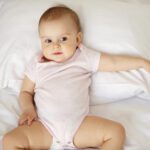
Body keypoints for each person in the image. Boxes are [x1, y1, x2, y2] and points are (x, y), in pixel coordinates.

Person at [3, 5, 150, 150]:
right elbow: (25, 92)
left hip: (79, 126)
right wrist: (28, 109)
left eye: (63, 39)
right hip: (45, 128)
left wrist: (141, 63)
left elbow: (113, 62)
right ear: (41, 42)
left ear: (78, 39)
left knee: (116, 132)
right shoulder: (37, 64)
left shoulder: (84, 57)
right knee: (10, 140)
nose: (55, 46)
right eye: (48, 41)